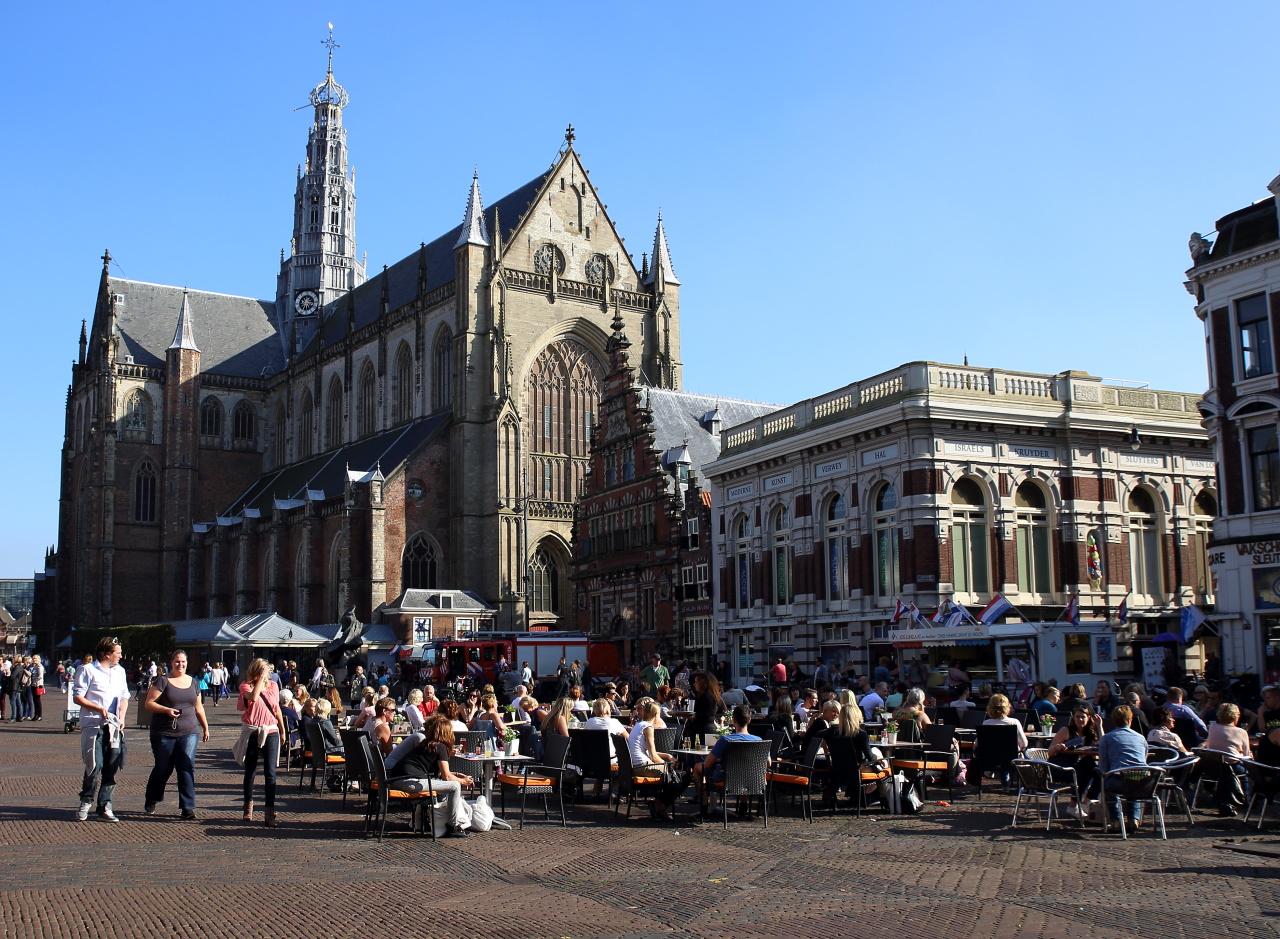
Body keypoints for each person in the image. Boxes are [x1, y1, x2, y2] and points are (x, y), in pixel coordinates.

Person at [143, 650, 209, 820]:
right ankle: (152, 797)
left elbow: (199, 707)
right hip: (163, 732)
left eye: (183, 662)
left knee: (186, 767)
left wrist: (205, 727)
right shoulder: (162, 681)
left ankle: (187, 807)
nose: (180, 665)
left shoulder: (194, 683)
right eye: (177, 662)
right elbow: (149, 704)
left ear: (187, 663)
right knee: (163, 767)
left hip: (189, 731)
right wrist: (166, 710)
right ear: (171, 663)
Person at [73, 637, 130, 822]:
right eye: (118, 653)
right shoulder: (88, 670)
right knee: (94, 763)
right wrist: (98, 708)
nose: (121, 656)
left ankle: (105, 805)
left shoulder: (120, 672)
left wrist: (121, 717)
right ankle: (86, 799)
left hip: (113, 726)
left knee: (112, 765)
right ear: (107, 654)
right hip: (94, 724)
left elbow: (124, 697)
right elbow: (78, 697)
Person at [388, 714, 474, 837]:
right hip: (410, 782)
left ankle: (423, 822)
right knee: (454, 786)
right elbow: (447, 778)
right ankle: (453, 825)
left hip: (398, 779)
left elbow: (440, 773)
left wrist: (457, 775)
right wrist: (463, 781)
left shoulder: (426, 744)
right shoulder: (441, 747)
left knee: (446, 786)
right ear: (447, 733)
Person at [237, 658, 287, 828]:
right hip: (253, 730)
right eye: (265, 670)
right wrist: (259, 680)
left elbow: (276, 708)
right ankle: (248, 806)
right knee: (250, 770)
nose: (268, 674)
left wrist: (282, 729)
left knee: (270, 772)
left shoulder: (273, 686)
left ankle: (269, 812)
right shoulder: (245, 686)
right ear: (257, 671)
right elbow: (253, 697)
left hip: (271, 730)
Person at [693, 703, 761, 819]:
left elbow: (707, 764)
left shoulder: (726, 740)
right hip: (751, 781)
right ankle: (743, 809)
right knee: (744, 770)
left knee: (697, 768)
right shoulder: (759, 741)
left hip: (727, 780)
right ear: (749, 720)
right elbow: (768, 762)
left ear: (733, 720)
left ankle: (704, 807)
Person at [627, 698, 683, 820]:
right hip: (642, 767)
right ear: (656, 714)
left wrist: (666, 756)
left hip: (635, 765)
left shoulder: (638, 725)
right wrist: (667, 765)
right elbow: (652, 755)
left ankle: (659, 803)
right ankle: (660, 806)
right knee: (678, 778)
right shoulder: (648, 728)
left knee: (673, 775)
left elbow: (646, 750)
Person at [1098, 705, 1149, 829]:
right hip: (1144, 783)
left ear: (1113, 721)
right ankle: (1134, 818)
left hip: (1121, 781)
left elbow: (1104, 766)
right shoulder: (1141, 738)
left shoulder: (1107, 738)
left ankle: (1116, 820)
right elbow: (1144, 759)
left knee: (1108, 784)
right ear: (1130, 720)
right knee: (1134, 778)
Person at [1206, 702, 1252, 817]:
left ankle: (1225, 801)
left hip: (1212, 767)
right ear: (1236, 716)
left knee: (1227, 769)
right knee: (1243, 770)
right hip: (1232, 767)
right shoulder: (1241, 732)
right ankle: (1245, 799)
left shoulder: (1213, 727)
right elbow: (1247, 755)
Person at [1254, 685, 1280, 767]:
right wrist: (1260, 712)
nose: (1265, 701)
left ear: (1276, 697)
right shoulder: (1267, 713)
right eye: (1264, 698)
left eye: (1268, 698)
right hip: (1270, 754)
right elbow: (1262, 730)